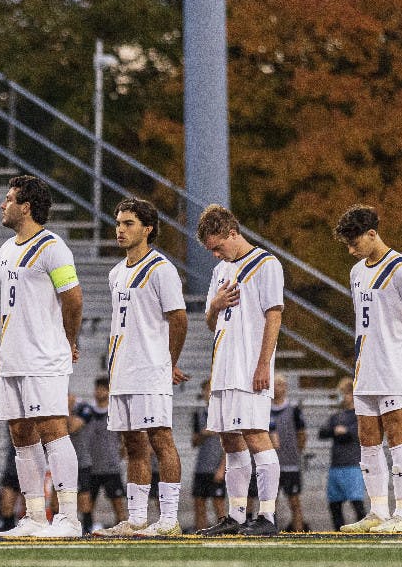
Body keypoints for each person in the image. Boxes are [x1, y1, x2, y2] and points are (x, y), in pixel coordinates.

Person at [0, 175, 84, 539]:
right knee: (20, 434)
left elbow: (73, 297)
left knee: (52, 431)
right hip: (11, 355)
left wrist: (68, 340)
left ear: (26, 206)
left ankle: (69, 517)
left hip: (44, 356)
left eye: (9, 198)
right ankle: (34, 517)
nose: (3, 204)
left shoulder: (52, 247)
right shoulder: (6, 249)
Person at [332, 205, 402, 534]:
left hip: (396, 369)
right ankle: (377, 510)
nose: (350, 250)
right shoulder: (357, 271)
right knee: (368, 442)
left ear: (372, 234)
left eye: (354, 242)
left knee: (398, 439)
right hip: (366, 368)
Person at [93, 198, 189, 538]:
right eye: (118, 222)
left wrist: (168, 361)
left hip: (150, 369)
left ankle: (169, 519)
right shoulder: (116, 273)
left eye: (129, 223)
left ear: (147, 229)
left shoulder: (161, 269)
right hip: (121, 370)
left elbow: (178, 318)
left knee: (161, 439)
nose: (120, 229)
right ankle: (135, 518)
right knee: (133, 444)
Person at [195, 204, 284, 537]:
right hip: (223, 366)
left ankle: (268, 515)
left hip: (249, 367)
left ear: (232, 233)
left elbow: (274, 315)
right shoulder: (221, 272)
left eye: (218, 246)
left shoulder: (266, 264)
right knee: (229, 440)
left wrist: (264, 364)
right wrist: (215, 305)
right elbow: (209, 321)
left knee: (255, 434)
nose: (216, 254)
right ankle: (235, 514)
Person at [78, 379, 128, 533]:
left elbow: (124, 438)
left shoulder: (115, 413)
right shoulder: (87, 412)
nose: (99, 392)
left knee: (118, 504)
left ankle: (122, 531)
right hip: (91, 466)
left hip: (111, 467)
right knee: (87, 505)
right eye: (97, 388)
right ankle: (87, 531)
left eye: (103, 389)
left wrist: (121, 455)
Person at [320, 377, 367, 529]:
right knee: (334, 504)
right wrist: (336, 431)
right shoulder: (336, 416)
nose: (342, 396)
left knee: (357, 503)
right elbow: (323, 432)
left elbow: (352, 434)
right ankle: (339, 533)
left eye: (344, 393)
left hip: (352, 465)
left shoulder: (359, 415)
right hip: (336, 466)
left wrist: (343, 431)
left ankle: (366, 534)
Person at [269, 375, 309, 532]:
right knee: (270, 502)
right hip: (271, 463)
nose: (281, 387)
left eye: (283, 384)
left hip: (290, 464)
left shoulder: (294, 410)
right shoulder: (265, 409)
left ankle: (298, 532)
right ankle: (271, 531)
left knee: (294, 502)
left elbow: (302, 435)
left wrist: (295, 452)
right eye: (277, 384)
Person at [190, 379, 226, 532]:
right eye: (207, 390)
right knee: (199, 503)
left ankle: (225, 534)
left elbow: (230, 446)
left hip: (217, 466)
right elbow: (194, 442)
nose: (209, 394)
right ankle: (200, 535)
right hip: (202, 466)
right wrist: (204, 434)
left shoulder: (226, 416)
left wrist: (222, 468)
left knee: (218, 504)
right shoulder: (198, 415)